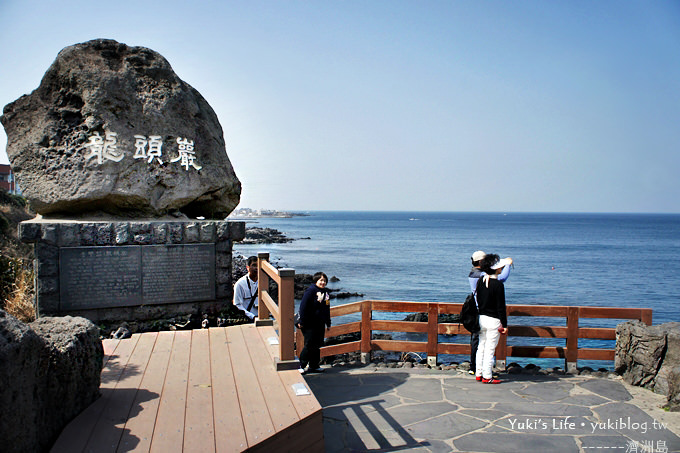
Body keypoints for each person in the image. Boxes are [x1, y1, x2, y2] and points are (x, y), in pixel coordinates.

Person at [467, 251, 512, 375]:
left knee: (481, 346)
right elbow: (501, 307)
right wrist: (505, 325)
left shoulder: (480, 279)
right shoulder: (496, 284)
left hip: (481, 316)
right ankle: (487, 375)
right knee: (489, 348)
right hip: (493, 319)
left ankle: (478, 372)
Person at [297, 272, 332, 374]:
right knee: (309, 344)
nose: (323, 282)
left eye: (324, 281)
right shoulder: (311, 291)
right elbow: (303, 306)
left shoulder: (326, 292)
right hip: (309, 322)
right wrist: (302, 321)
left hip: (320, 323)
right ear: (316, 280)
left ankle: (314, 365)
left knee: (317, 344)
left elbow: (327, 308)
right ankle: (301, 365)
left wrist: (328, 323)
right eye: (321, 280)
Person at [233, 256, 259, 321]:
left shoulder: (263, 283)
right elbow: (237, 305)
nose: (256, 268)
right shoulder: (240, 284)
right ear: (248, 267)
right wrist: (252, 317)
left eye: (259, 265)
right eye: (254, 265)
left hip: (261, 318)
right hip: (247, 319)